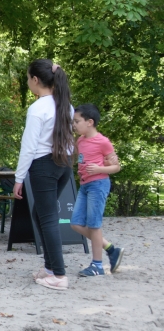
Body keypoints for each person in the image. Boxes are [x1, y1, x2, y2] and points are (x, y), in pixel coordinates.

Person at [13, 60, 74, 291]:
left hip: (44, 165)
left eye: (28, 78)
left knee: (47, 218)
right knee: (40, 213)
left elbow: (28, 147)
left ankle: (59, 274)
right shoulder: (65, 105)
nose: (28, 82)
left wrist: (19, 178)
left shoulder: (38, 108)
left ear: (35, 80)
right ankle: (50, 268)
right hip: (63, 165)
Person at [70, 104, 123, 276]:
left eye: (77, 121)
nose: (74, 125)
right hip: (84, 185)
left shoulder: (103, 141)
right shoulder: (80, 140)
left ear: (90, 122)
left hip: (98, 185)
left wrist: (100, 169)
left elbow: (116, 167)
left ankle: (97, 266)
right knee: (75, 223)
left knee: (94, 225)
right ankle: (110, 248)